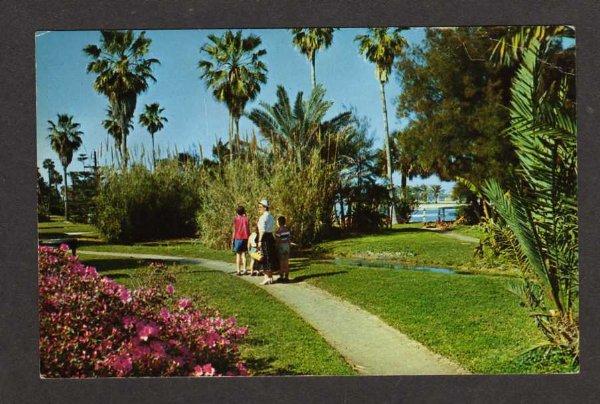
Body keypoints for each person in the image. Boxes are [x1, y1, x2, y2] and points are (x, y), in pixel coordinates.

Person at [256, 199, 278, 285]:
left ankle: (267, 277)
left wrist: (260, 240)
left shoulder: (263, 217)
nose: (259, 208)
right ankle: (270, 277)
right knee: (270, 256)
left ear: (265, 207)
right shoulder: (271, 216)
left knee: (265, 257)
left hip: (265, 238)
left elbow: (262, 230)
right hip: (271, 237)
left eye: (260, 207)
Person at [231, 205, 250, 275]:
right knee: (244, 254)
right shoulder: (246, 219)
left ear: (237, 212)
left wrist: (233, 239)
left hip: (238, 238)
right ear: (244, 211)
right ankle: (245, 269)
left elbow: (234, 229)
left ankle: (238, 270)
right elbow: (248, 228)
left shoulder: (235, 219)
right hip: (245, 237)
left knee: (238, 254)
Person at [275, 216, 291, 282]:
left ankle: (281, 276)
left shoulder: (278, 231)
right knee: (286, 261)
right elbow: (289, 239)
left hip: (281, 246)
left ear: (278, 222)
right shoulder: (287, 230)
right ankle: (286, 276)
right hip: (286, 246)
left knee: (281, 262)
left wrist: (276, 247)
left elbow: (277, 240)